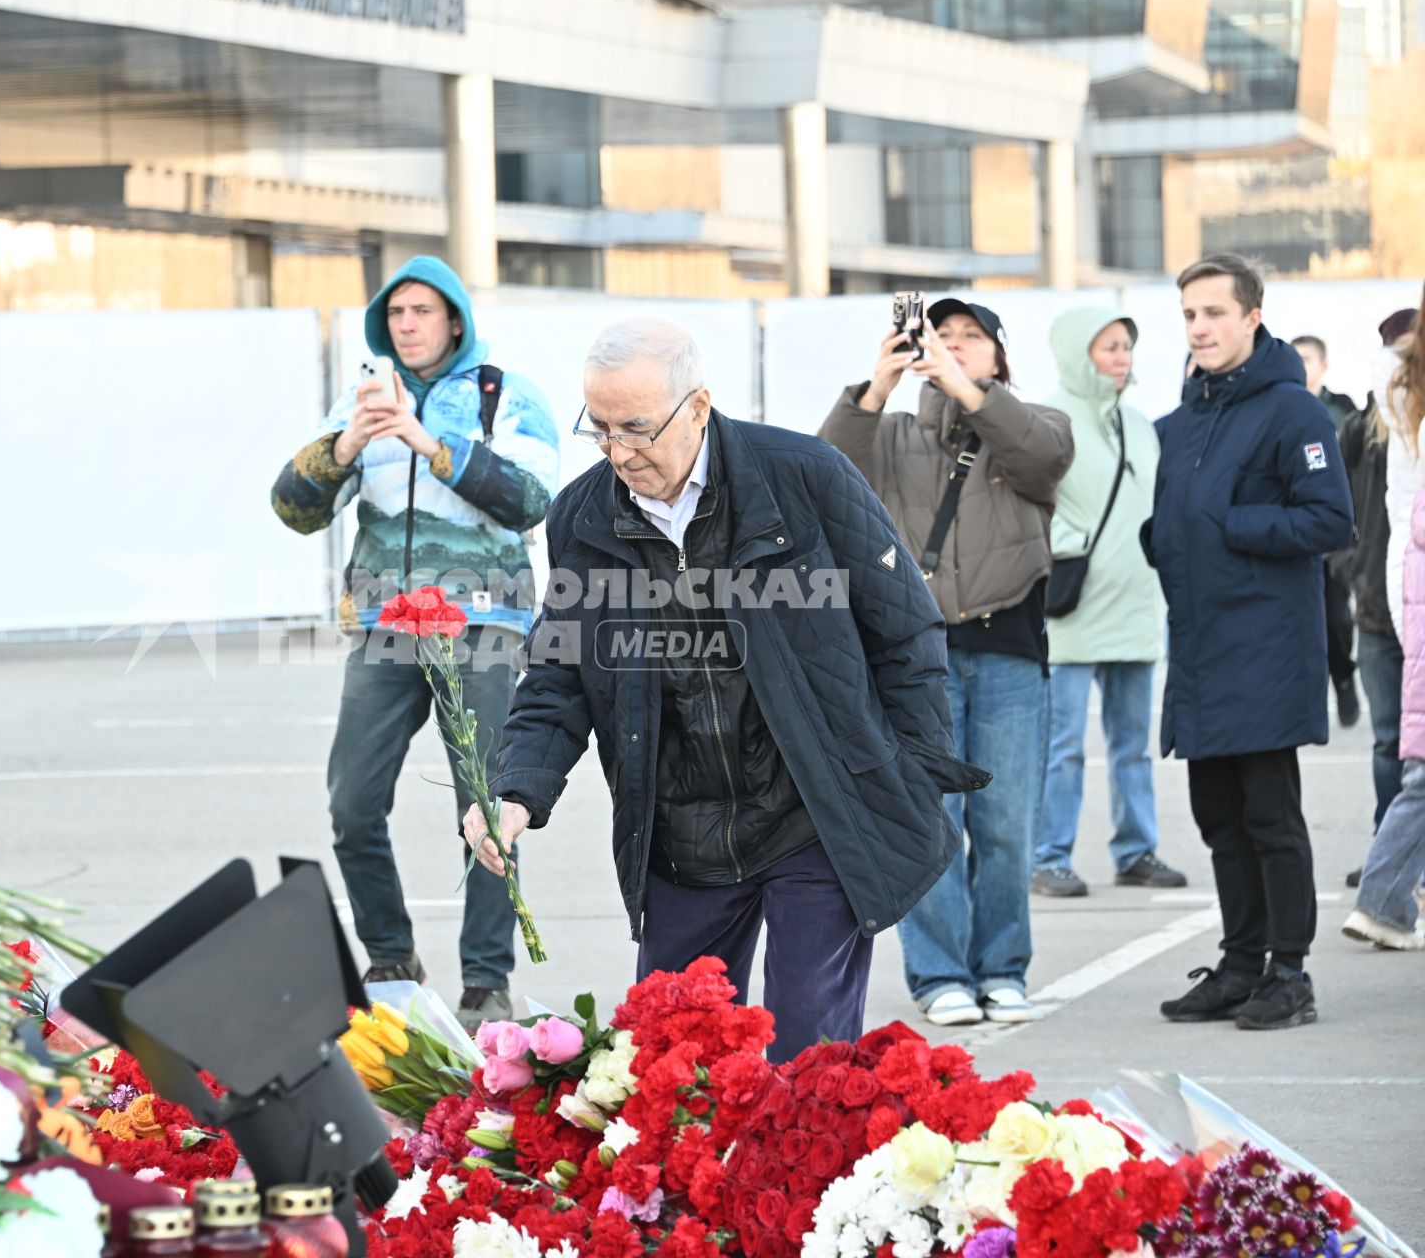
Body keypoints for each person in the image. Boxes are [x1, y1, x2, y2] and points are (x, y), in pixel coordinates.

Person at [468, 317, 987, 1062]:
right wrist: (515, 790)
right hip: (679, 828)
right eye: (602, 429)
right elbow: (559, 673)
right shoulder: (582, 517)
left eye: (638, 429)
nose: (620, 453)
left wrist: (909, 770)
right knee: (672, 1065)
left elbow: (905, 630)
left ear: (699, 406)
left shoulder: (808, 476)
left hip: (814, 811)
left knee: (807, 1061)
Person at [270, 256, 559, 1030]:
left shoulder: (505, 394)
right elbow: (293, 511)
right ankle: (391, 955)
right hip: (384, 624)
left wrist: (431, 443)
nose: (406, 324)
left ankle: (485, 976)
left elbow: (534, 501)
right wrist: (342, 448)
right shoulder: (363, 395)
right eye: (395, 312)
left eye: (422, 311)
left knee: (488, 811)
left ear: (454, 319)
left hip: (484, 622)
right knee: (352, 802)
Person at [819, 299, 1074, 1027]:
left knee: (1005, 822)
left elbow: (1043, 457)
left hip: (1009, 650)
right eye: (941, 337)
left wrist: (965, 389)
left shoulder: (1035, 427)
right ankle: (939, 975)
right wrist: (877, 385)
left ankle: (1002, 968)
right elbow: (828, 468)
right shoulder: (891, 431)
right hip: (914, 657)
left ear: (999, 357)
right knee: (930, 817)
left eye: (971, 339)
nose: (952, 348)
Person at [1146, 255, 1353, 1031]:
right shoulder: (1190, 412)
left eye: (1212, 313)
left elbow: (1331, 521)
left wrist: (1227, 526)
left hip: (1264, 650)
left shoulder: (1292, 411)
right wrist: (1162, 537)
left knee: (1270, 817)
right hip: (1202, 650)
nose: (1199, 328)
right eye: (1189, 315)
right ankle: (1240, 964)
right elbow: (1183, 515)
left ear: (1252, 316)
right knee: (1219, 818)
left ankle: (1289, 973)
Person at [1033, 309, 1185, 898]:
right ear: (1077, 353)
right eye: (1109, 348)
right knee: (1062, 747)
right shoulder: (1045, 420)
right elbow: (1028, 505)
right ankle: (1048, 856)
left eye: (1127, 347)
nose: (1123, 358)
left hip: (1136, 606)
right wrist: (1070, 545)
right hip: (1072, 608)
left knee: (1132, 745)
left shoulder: (1141, 425)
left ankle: (1136, 850)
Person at [1343, 306, 1425, 951]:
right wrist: (1350, 569)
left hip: (1399, 595)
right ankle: (1388, 875)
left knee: (1412, 751)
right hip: (1381, 599)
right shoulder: (1362, 428)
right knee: (1391, 745)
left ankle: (1393, 881)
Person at [1294, 334, 1362, 727]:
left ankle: (1344, 678)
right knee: (1300, 623)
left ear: (1323, 365)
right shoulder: (1278, 408)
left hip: (1334, 537)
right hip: (1295, 535)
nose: (1301, 366)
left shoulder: (1343, 412)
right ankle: (1308, 700)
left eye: (1307, 358)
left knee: (1337, 618)